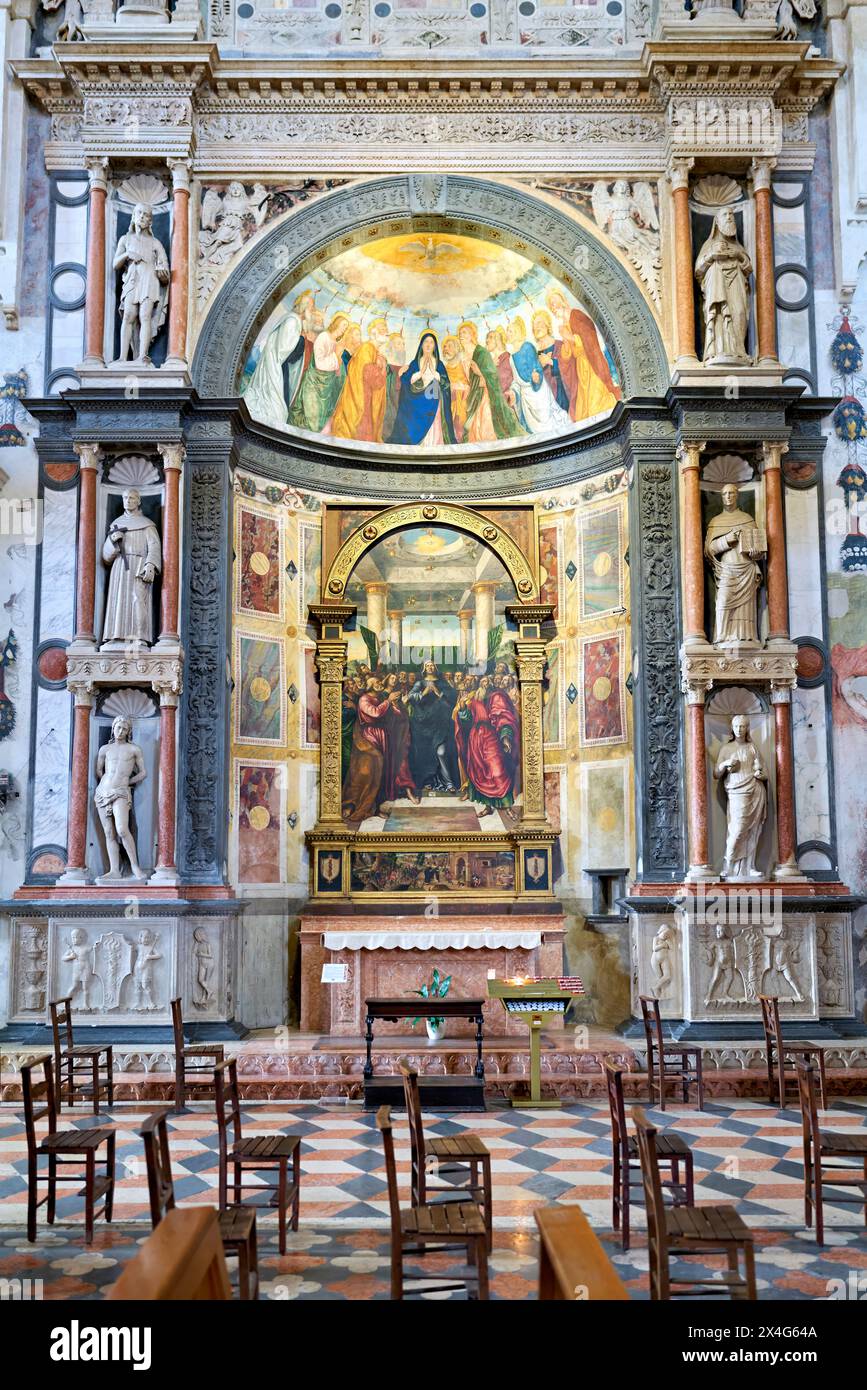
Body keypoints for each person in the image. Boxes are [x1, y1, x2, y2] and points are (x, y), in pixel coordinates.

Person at [545, 288, 621, 421]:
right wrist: (566, 345)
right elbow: (568, 354)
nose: (553, 306)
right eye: (550, 305)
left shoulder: (576, 315)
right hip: (580, 368)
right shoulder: (564, 325)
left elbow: (589, 339)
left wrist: (570, 337)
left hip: (592, 365)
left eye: (554, 302)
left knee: (596, 403)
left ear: (562, 301)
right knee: (582, 412)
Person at [704, 482, 765, 645]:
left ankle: (746, 638)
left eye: (731, 493)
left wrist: (756, 553)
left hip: (746, 569)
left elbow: (757, 546)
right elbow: (709, 551)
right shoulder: (716, 521)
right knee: (722, 602)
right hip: (726, 570)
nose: (728, 497)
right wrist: (726, 540)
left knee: (745, 607)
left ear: (737, 495)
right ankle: (722, 637)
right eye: (725, 494)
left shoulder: (747, 519)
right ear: (721, 497)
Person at [100, 488, 161, 648]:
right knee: (118, 600)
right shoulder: (116, 525)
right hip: (120, 567)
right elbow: (106, 557)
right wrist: (113, 542)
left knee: (138, 601)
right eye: (125, 497)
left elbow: (154, 546)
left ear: (139, 501)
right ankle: (115, 636)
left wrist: (150, 564)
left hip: (139, 566)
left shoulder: (147, 525)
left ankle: (139, 637)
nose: (128, 500)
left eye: (132, 498)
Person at [113, 203, 169, 365]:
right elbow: (115, 264)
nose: (142, 217)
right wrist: (127, 255)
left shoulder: (155, 243)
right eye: (140, 213)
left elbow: (164, 267)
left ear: (150, 221)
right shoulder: (126, 240)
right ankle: (123, 357)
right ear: (134, 216)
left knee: (145, 316)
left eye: (146, 215)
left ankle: (142, 356)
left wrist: (163, 272)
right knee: (129, 315)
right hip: (132, 279)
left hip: (150, 280)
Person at [456, 675, 519, 816]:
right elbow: (468, 720)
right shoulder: (474, 699)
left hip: (492, 738)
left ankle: (508, 807)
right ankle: (488, 807)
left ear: (490, 684)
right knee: (480, 772)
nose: (484, 684)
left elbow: (503, 717)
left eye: (487, 682)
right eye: (482, 682)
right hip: (476, 739)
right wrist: (462, 710)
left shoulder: (496, 697)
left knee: (498, 772)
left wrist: (505, 737)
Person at [695, 207, 752, 363]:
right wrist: (712, 256)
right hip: (717, 287)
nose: (729, 217)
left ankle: (739, 351)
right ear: (717, 222)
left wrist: (738, 255)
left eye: (731, 214)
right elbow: (698, 271)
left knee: (739, 313)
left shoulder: (739, 248)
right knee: (719, 315)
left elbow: (749, 269)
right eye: (725, 215)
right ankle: (718, 350)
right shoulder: (709, 246)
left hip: (737, 286)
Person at [713, 715, 767, 880]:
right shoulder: (726, 749)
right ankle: (728, 865)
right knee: (737, 830)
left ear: (747, 728)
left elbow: (764, 773)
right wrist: (725, 763)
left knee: (752, 831)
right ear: (732, 728)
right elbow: (716, 773)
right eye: (736, 726)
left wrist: (760, 774)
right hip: (736, 791)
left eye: (742, 726)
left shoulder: (752, 747)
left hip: (755, 790)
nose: (739, 729)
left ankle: (750, 867)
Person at [94, 717, 147, 881]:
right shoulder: (105, 749)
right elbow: (99, 771)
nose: (120, 731)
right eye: (118, 727)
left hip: (122, 792)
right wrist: (106, 784)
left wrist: (127, 782)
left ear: (128, 731)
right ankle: (114, 870)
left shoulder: (134, 749)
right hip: (102, 792)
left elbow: (143, 772)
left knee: (122, 829)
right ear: (113, 728)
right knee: (109, 833)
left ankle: (135, 867)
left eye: (124, 729)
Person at [459, 321, 526, 443]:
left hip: (488, 397)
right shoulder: (467, 357)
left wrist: (480, 373)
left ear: (472, 335)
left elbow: (495, 378)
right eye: (460, 333)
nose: (461, 335)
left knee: (485, 427)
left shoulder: (483, 353)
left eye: (465, 332)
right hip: (476, 396)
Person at [387, 332, 456, 447]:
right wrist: (420, 373)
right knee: (409, 410)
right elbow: (406, 381)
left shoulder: (439, 364)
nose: (428, 345)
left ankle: (433, 443)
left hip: (434, 399)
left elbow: (446, 384)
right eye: (426, 342)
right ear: (421, 345)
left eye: (431, 342)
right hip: (417, 400)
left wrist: (435, 373)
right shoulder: (415, 363)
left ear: (434, 346)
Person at [507, 316, 572, 435]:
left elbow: (568, 366)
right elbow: (523, 376)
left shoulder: (558, 345)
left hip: (558, 392)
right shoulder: (535, 351)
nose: (537, 327)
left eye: (540, 323)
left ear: (548, 326)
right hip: (535, 395)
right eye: (534, 326)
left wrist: (550, 363)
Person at [288, 312, 351, 433]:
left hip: (326, 388)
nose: (344, 329)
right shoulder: (324, 337)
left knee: (319, 422)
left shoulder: (335, 343)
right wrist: (336, 355)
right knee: (311, 421)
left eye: (346, 327)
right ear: (336, 324)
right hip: (314, 384)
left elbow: (338, 371)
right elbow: (319, 363)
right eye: (343, 325)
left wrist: (338, 362)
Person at [330, 317, 389, 442]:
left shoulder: (373, 350)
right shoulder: (367, 348)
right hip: (362, 403)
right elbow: (372, 377)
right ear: (373, 332)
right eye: (382, 328)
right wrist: (383, 370)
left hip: (366, 401)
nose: (386, 331)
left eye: (386, 328)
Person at [341, 675, 390, 822]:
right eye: (376, 682)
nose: (380, 683)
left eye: (380, 681)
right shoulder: (364, 699)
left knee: (378, 771)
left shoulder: (379, 697)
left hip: (379, 736)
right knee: (364, 772)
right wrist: (388, 702)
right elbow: (374, 713)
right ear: (370, 686)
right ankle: (353, 803)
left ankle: (373, 807)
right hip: (366, 737)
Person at [406, 660, 460, 792]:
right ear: (424, 669)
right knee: (427, 753)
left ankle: (448, 783)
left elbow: (452, 698)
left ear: (435, 668)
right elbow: (410, 697)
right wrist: (423, 693)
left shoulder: (442, 683)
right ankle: (428, 781)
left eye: (432, 665)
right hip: (423, 725)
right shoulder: (420, 683)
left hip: (440, 723)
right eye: (427, 666)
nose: (430, 667)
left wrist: (437, 692)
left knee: (441, 752)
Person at [381, 674, 420, 806]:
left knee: (403, 763)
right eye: (392, 678)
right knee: (394, 764)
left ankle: (408, 791)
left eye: (395, 679)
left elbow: (404, 716)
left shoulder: (398, 699)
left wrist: (402, 705)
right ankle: (401, 791)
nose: (395, 680)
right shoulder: (383, 698)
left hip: (401, 736)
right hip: (389, 738)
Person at [442, 336, 470, 442]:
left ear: (457, 348)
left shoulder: (464, 365)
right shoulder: (443, 368)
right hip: (449, 406)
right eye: (444, 347)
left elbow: (472, 384)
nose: (446, 349)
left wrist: (462, 388)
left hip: (464, 405)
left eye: (449, 346)